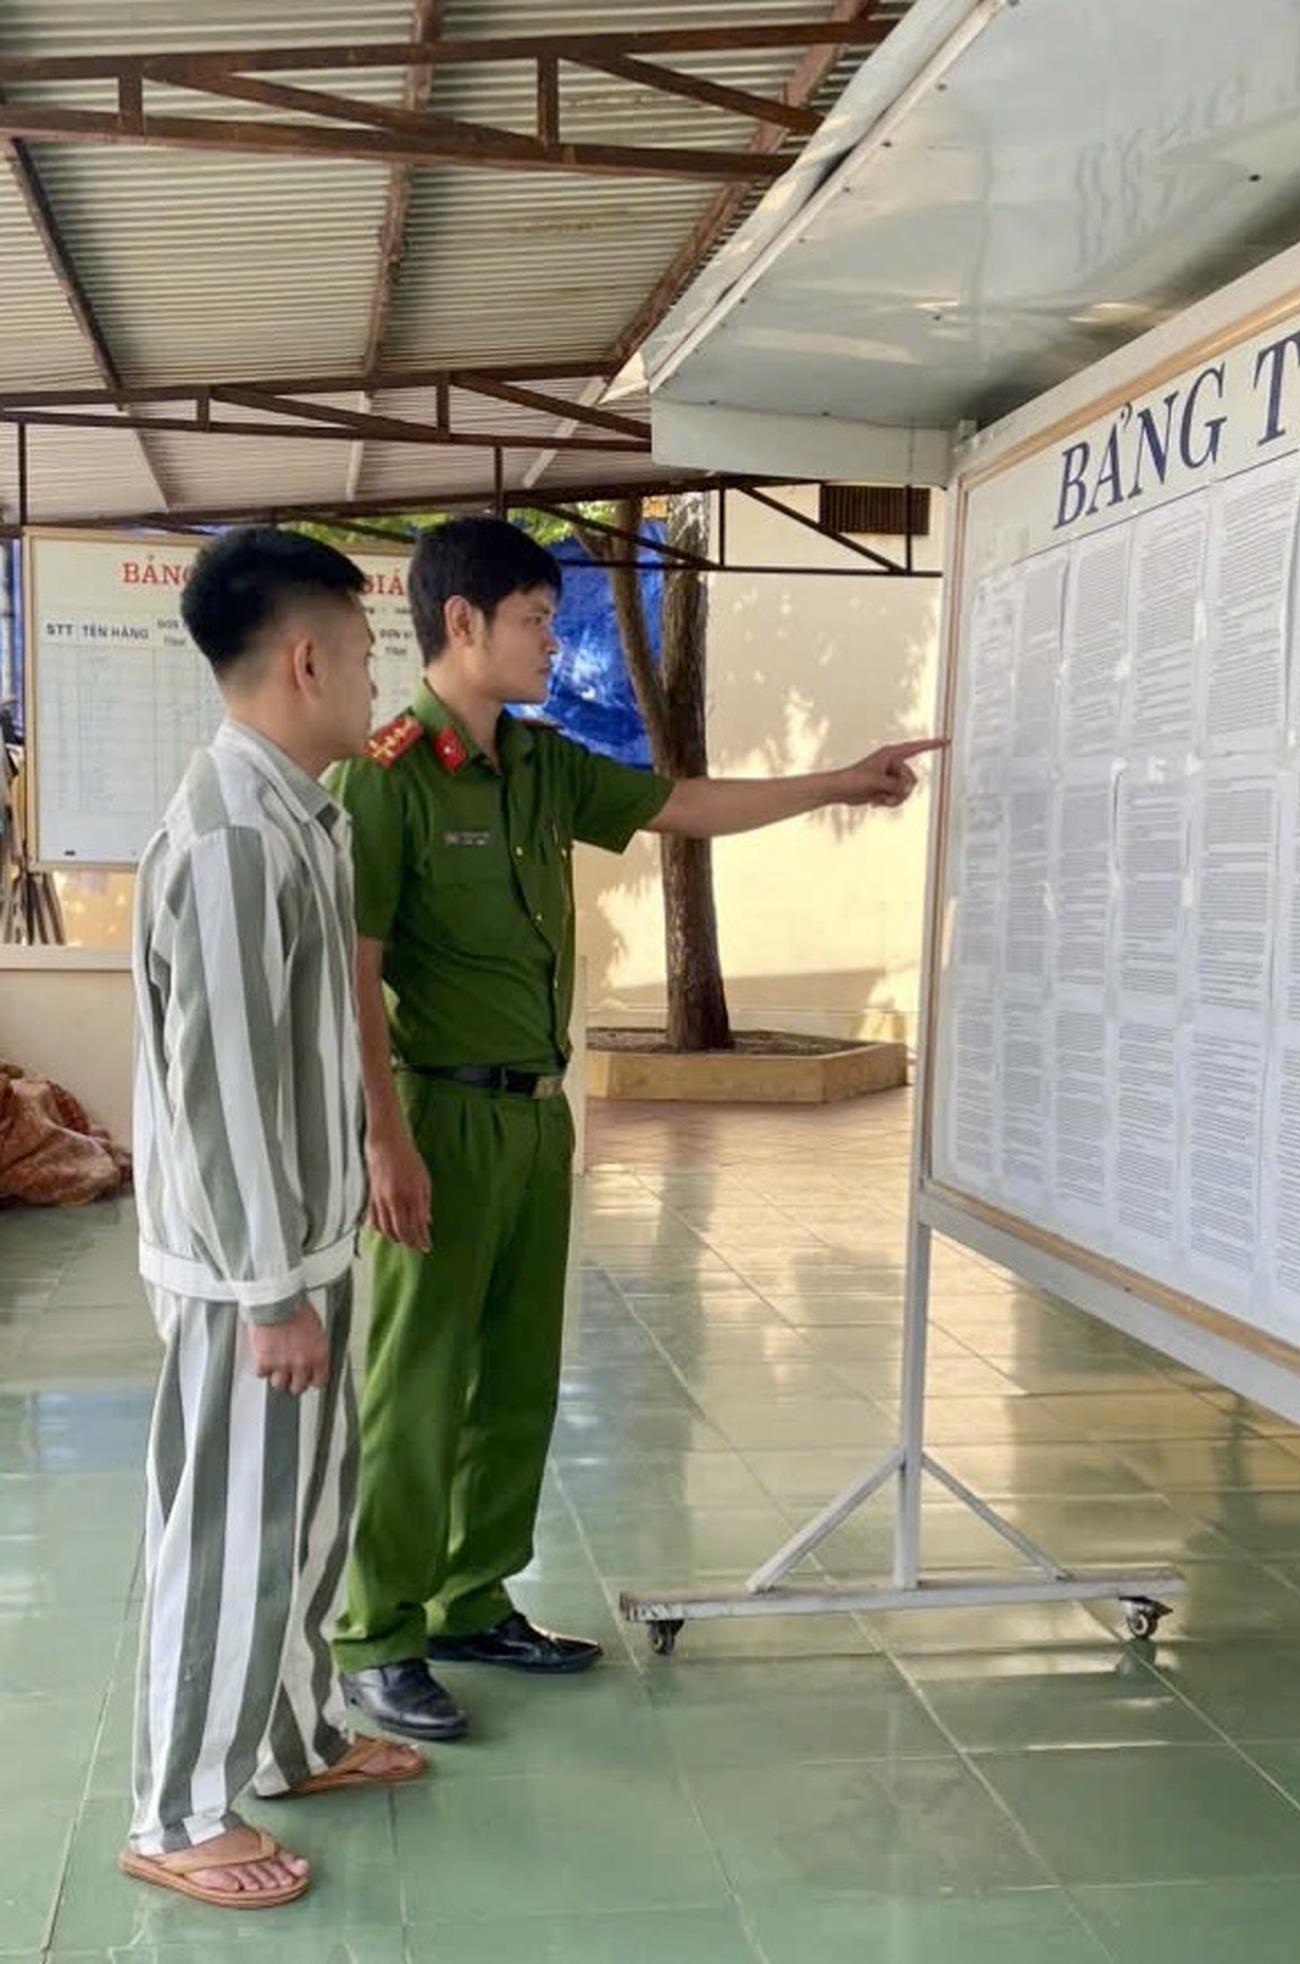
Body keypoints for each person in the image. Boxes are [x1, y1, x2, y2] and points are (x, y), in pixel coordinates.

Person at [331, 515, 941, 1739]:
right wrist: (382, 1137)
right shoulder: (385, 775)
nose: (553, 643)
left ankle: (470, 1598)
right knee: (416, 1383)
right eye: (535, 620)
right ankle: (376, 1634)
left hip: (535, 1117)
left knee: (515, 1378)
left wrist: (838, 780)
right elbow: (354, 969)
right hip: (437, 1114)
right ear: (462, 621)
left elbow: (684, 802)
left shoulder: (542, 766)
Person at [121, 528, 424, 1912]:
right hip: (253, 1271)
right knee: (231, 1534)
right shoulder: (237, 838)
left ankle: (294, 1736)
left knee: (307, 1518)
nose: (373, 683)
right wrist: (270, 1294)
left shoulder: (303, 815)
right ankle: (178, 1810)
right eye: (363, 657)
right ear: (305, 659)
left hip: (304, 1245)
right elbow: (225, 1086)